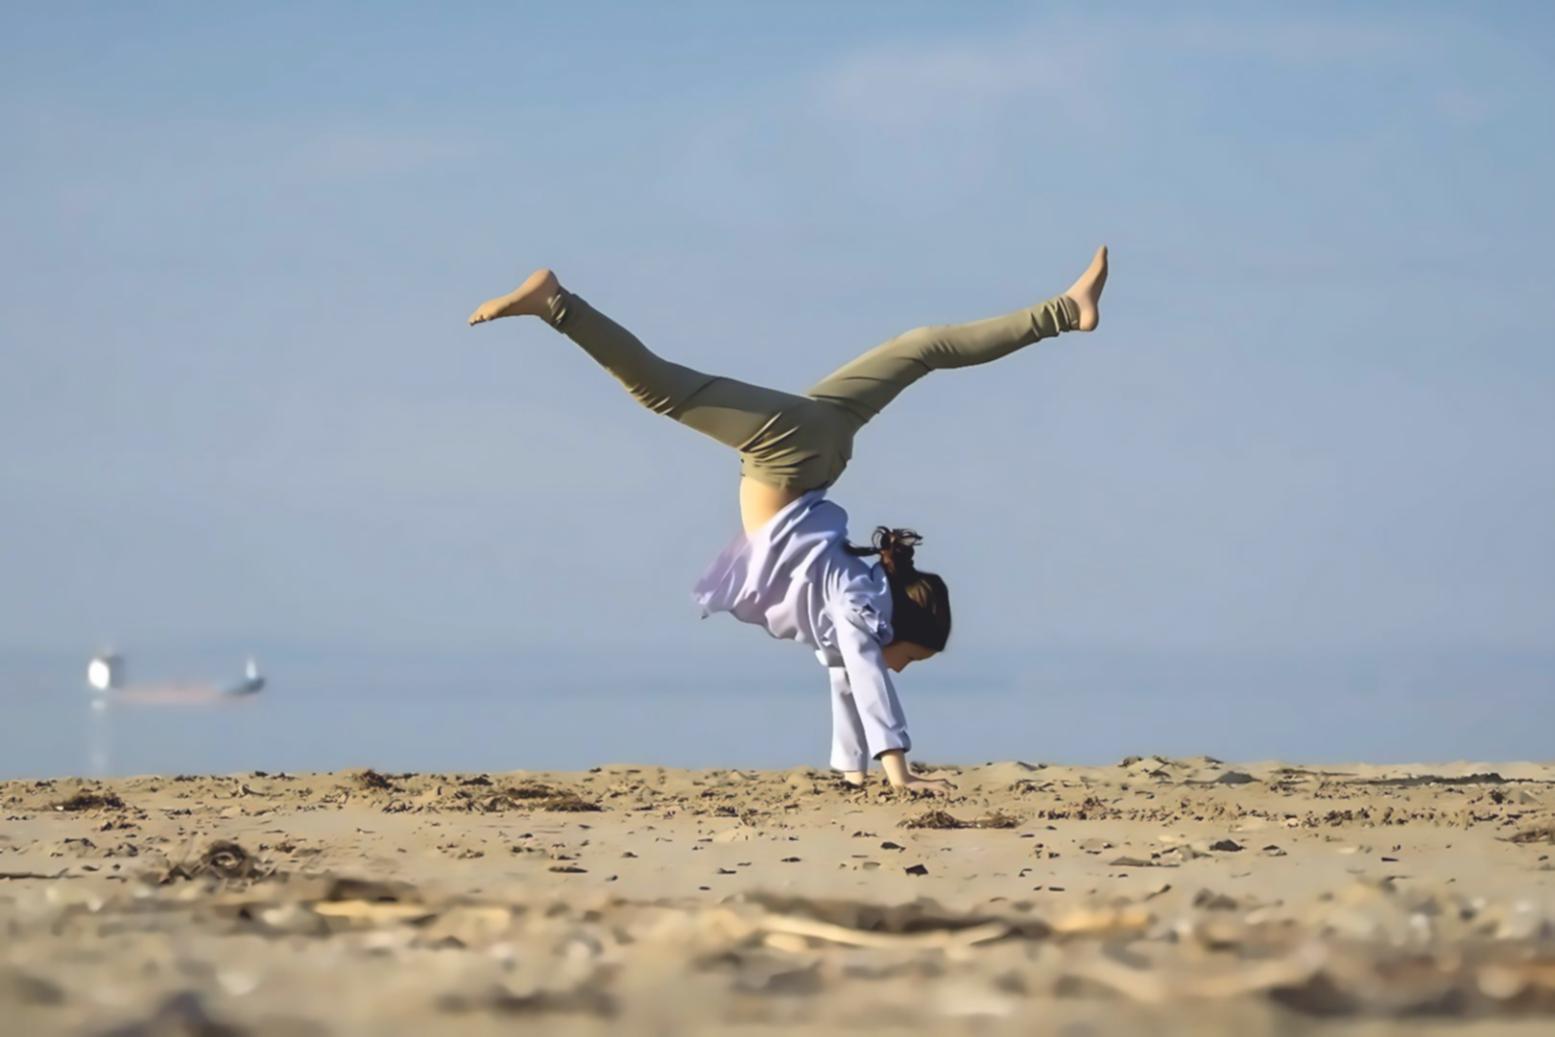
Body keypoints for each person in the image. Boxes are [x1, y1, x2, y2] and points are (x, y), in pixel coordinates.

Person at [468, 247, 1109, 793]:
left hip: (822, 450)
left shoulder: (850, 603)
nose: (902, 669)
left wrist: (853, 770)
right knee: (662, 390)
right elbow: (863, 671)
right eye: (910, 658)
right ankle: (556, 303)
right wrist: (899, 770)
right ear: (901, 625)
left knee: (920, 349)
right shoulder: (861, 602)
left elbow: (844, 678)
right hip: (788, 454)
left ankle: (1063, 311)